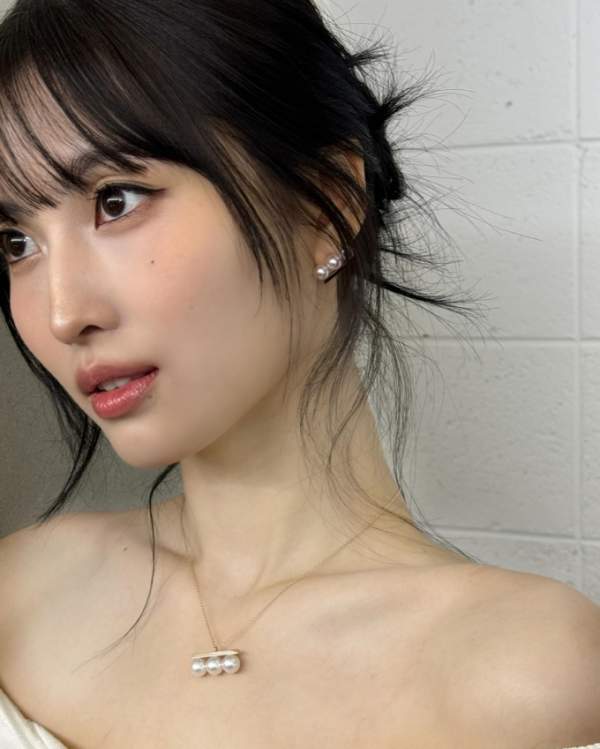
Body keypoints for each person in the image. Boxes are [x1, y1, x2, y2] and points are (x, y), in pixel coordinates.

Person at [0, 0, 598, 747]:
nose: (63, 313)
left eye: (115, 202)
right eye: (16, 242)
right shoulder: (18, 595)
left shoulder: (527, 672)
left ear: (328, 208)